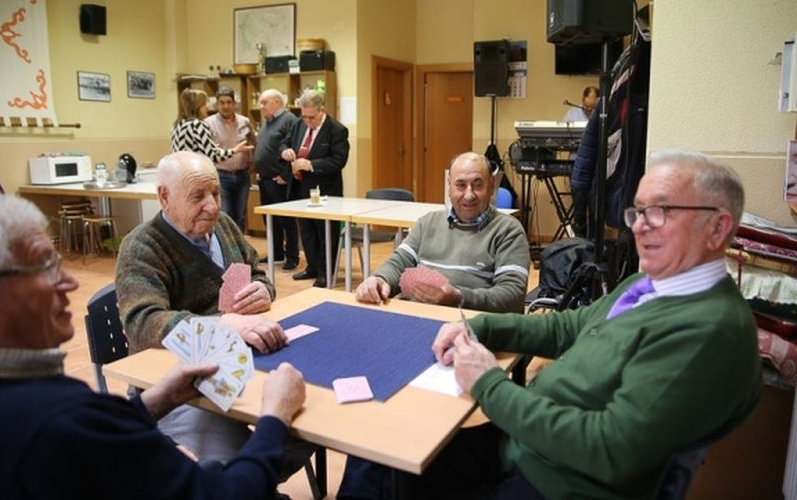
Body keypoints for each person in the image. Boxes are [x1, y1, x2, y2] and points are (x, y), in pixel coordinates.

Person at [341, 150, 763, 499]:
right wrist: (479, 330)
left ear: (718, 227)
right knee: (380, 449)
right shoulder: (648, 284)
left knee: (389, 472)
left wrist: (488, 383)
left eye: (663, 211)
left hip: (554, 482)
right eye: (639, 211)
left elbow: (607, 448)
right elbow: (566, 328)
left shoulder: (709, 331)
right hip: (528, 446)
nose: (640, 227)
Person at [0, 194, 306, 499]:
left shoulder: (43, 400)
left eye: (215, 192)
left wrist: (159, 400)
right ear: (165, 197)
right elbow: (223, 494)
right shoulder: (61, 420)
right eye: (44, 266)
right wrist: (275, 418)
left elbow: (105, 435)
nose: (70, 282)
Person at [116, 151, 297, 464]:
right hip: (176, 386)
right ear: (164, 197)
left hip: (238, 359)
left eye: (216, 193)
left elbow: (256, 271)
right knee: (249, 456)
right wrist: (222, 325)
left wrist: (263, 290)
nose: (212, 206)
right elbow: (143, 322)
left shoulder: (223, 226)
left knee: (303, 414)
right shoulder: (141, 247)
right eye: (198, 196)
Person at [355, 152, 529, 314]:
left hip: (470, 326)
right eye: (460, 185)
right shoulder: (427, 223)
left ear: (491, 186)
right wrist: (379, 279)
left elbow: (512, 296)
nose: (469, 195)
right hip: (416, 316)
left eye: (477, 185)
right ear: (449, 186)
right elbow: (398, 263)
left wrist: (458, 297)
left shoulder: (508, 230)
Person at [280, 89, 350, 288]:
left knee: (325, 232)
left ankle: (326, 272)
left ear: (322, 110)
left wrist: (310, 165)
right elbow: (284, 141)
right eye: (304, 117)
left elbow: (338, 161)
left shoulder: (337, 130)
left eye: (312, 117)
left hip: (325, 190)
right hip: (301, 188)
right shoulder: (299, 124)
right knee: (307, 231)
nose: (308, 121)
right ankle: (312, 267)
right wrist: (285, 151)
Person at [254, 89, 300, 271]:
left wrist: (285, 175)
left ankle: (292, 256)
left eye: (264, 102)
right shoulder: (268, 122)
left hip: (279, 179)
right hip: (265, 179)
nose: (261, 106)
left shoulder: (289, 120)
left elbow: (293, 148)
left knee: (285, 220)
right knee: (270, 219)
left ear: (277, 102)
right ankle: (277, 253)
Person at [170, 88, 254, 179]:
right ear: (198, 107)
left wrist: (211, 148)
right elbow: (214, 156)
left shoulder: (177, 124)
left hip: (181, 176)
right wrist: (235, 150)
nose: (207, 107)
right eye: (204, 104)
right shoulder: (197, 125)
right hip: (195, 177)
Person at [205, 87, 257, 230]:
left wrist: (253, 163)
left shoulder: (244, 121)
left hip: (242, 176)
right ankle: (227, 250)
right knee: (225, 215)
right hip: (221, 176)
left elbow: (254, 142)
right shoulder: (208, 123)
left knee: (240, 216)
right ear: (217, 104)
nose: (226, 106)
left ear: (234, 104)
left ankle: (239, 250)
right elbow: (207, 151)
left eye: (229, 102)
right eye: (222, 103)